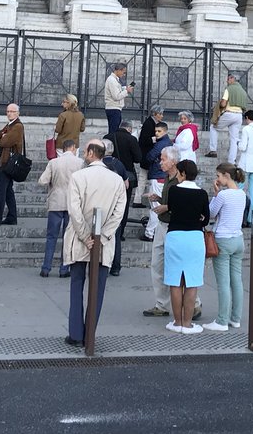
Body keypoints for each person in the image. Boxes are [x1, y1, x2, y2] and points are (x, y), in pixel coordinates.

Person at [63, 138, 127, 345]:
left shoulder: (79, 176)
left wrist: (85, 236)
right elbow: (119, 214)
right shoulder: (117, 180)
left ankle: (76, 334)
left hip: (81, 240)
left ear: (91, 153)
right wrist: (103, 236)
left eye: (85, 151)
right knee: (97, 290)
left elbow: (74, 210)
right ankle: (90, 332)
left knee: (76, 285)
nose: (82, 154)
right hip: (103, 242)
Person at [163, 159, 209, 334]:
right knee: (192, 282)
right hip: (195, 237)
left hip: (175, 235)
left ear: (182, 173)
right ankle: (188, 324)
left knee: (175, 281)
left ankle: (177, 322)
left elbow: (172, 209)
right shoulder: (202, 194)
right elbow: (206, 217)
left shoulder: (174, 190)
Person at [142, 147, 188, 319]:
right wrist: (160, 199)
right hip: (163, 224)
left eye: (163, 159)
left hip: (173, 227)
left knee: (178, 266)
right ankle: (161, 303)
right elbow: (172, 201)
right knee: (158, 264)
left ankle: (193, 302)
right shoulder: (168, 178)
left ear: (173, 161)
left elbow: (184, 203)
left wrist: (166, 206)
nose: (160, 162)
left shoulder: (180, 179)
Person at [207, 163, 247, 331]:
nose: (217, 179)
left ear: (226, 176)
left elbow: (211, 213)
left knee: (223, 282)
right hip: (238, 239)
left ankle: (222, 320)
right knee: (236, 280)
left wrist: (215, 195)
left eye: (218, 176)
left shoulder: (223, 195)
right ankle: (235, 318)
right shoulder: (242, 194)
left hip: (223, 239)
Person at [38, 137, 83, 277]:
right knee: (68, 237)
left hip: (56, 202)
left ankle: (46, 268)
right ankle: (64, 269)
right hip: (72, 203)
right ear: (74, 148)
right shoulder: (80, 163)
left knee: (51, 237)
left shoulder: (54, 162)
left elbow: (42, 181)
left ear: (63, 149)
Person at [0, 103, 25, 226]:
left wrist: (3, 137)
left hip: (8, 162)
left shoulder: (17, 126)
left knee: (1, 190)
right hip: (5, 161)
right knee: (8, 190)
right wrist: (2, 135)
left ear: (18, 113)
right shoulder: (10, 125)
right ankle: (12, 217)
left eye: (12, 111)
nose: (9, 113)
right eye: (8, 111)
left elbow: (4, 141)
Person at [141, 121, 173, 242]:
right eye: (156, 131)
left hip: (157, 176)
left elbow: (149, 156)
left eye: (159, 131)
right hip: (161, 176)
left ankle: (149, 233)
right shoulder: (167, 142)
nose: (157, 133)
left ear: (165, 131)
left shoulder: (161, 144)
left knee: (155, 206)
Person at [209, 73, 250, 160]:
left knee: (213, 127)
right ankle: (231, 161)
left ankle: (213, 150)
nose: (227, 81)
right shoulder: (243, 91)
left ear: (232, 79)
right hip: (239, 116)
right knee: (234, 139)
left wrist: (219, 105)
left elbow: (223, 103)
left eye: (228, 79)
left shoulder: (229, 89)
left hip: (229, 113)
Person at [107, 118, 142, 210]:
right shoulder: (132, 139)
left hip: (110, 173)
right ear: (129, 129)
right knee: (124, 202)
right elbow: (138, 158)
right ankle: (122, 223)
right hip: (127, 174)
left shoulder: (108, 137)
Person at [103, 63, 132, 137]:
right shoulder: (112, 80)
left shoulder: (115, 80)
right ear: (118, 70)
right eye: (123, 72)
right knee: (114, 132)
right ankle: (112, 146)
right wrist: (127, 91)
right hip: (113, 108)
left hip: (115, 108)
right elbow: (116, 96)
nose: (124, 74)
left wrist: (125, 89)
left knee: (114, 130)